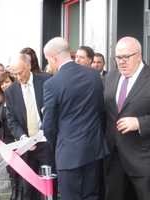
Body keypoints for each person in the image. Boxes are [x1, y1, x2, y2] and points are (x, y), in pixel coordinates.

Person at [42, 37, 108, 200]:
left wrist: (58, 145)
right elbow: (101, 110)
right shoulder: (94, 76)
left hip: (68, 154)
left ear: (53, 58)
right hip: (94, 149)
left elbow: (48, 127)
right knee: (92, 196)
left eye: (48, 60)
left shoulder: (52, 84)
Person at [104, 36, 150, 200]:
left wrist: (139, 123)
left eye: (126, 57)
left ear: (139, 55)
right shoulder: (110, 77)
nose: (121, 62)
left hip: (142, 159)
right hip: (113, 157)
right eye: (118, 57)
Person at [5, 53, 54, 200]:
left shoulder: (46, 81)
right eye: (14, 74)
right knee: (28, 188)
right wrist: (23, 137)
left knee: (50, 184)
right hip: (27, 144)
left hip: (47, 142)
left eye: (20, 72)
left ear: (29, 65)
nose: (18, 77)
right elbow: (11, 120)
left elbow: (55, 109)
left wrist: (46, 129)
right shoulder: (11, 91)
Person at [0, 71, 20, 200]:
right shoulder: (2, 100)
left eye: (7, 82)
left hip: (17, 141)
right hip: (6, 142)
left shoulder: (18, 99)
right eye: (2, 83)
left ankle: (18, 195)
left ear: (13, 82)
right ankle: (14, 194)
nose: (4, 85)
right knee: (11, 171)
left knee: (18, 171)